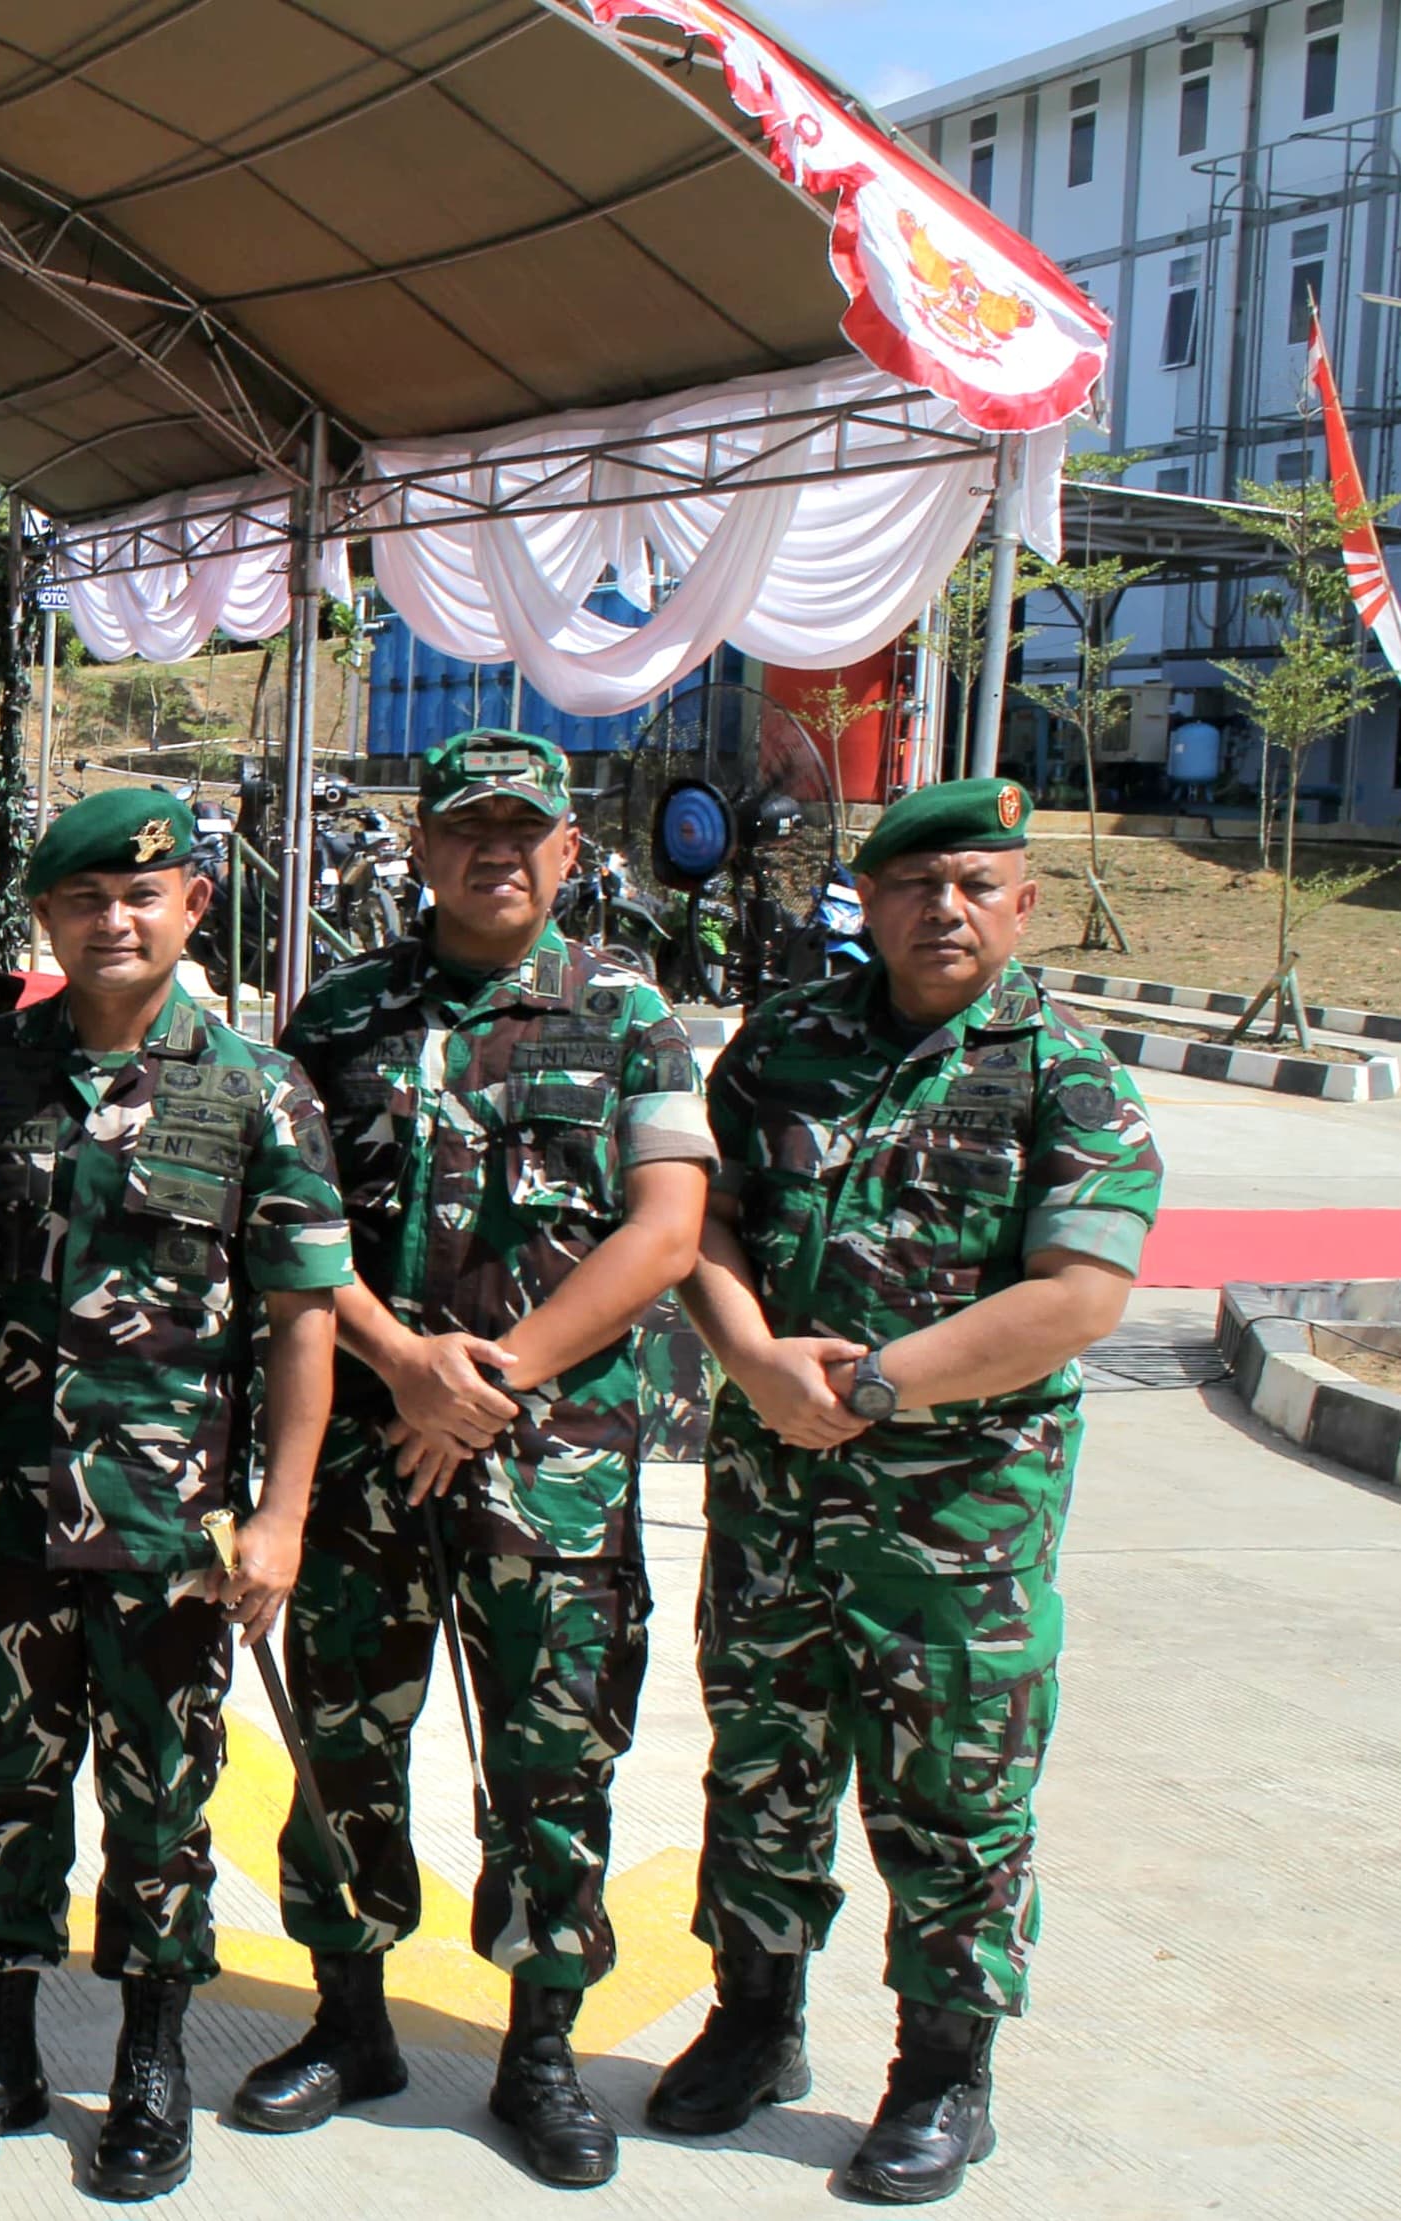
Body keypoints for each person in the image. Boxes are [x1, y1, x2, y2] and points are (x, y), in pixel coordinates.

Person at [657, 779, 1157, 2205]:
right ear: (864, 902)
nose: (943, 908)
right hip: (773, 1501)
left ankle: (943, 2072)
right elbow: (709, 1224)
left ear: (1022, 904)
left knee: (953, 1803)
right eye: (914, 883)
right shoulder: (784, 1046)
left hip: (959, 1527)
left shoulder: (1066, 1074)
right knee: (761, 1770)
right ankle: (753, 2023)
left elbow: (1076, 1299)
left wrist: (868, 1386)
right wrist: (751, 1356)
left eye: (974, 884)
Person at [237, 729, 715, 2189]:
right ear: (421, 847)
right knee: (340, 1743)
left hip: (547, 1456)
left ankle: (540, 2048)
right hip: (365, 1452)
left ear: (568, 853)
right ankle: (349, 2019)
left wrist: (492, 1376)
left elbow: (663, 1229)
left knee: (551, 1755)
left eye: (524, 831)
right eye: (465, 829)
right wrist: (403, 1364)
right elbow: (290, 1222)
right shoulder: (338, 1016)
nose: (494, 852)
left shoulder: (628, 1011)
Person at [0, 787, 350, 2202]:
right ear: (44, 916)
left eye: (141, 895)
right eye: (83, 897)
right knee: (4, 1797)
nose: (112, 918)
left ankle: (151, 2063)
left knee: (163, 1806)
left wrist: (277, 1517)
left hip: (175, 1535)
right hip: (11, 1519)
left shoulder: (254, 1090)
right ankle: (1, 2049)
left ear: (191, 907)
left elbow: (301, 1316)